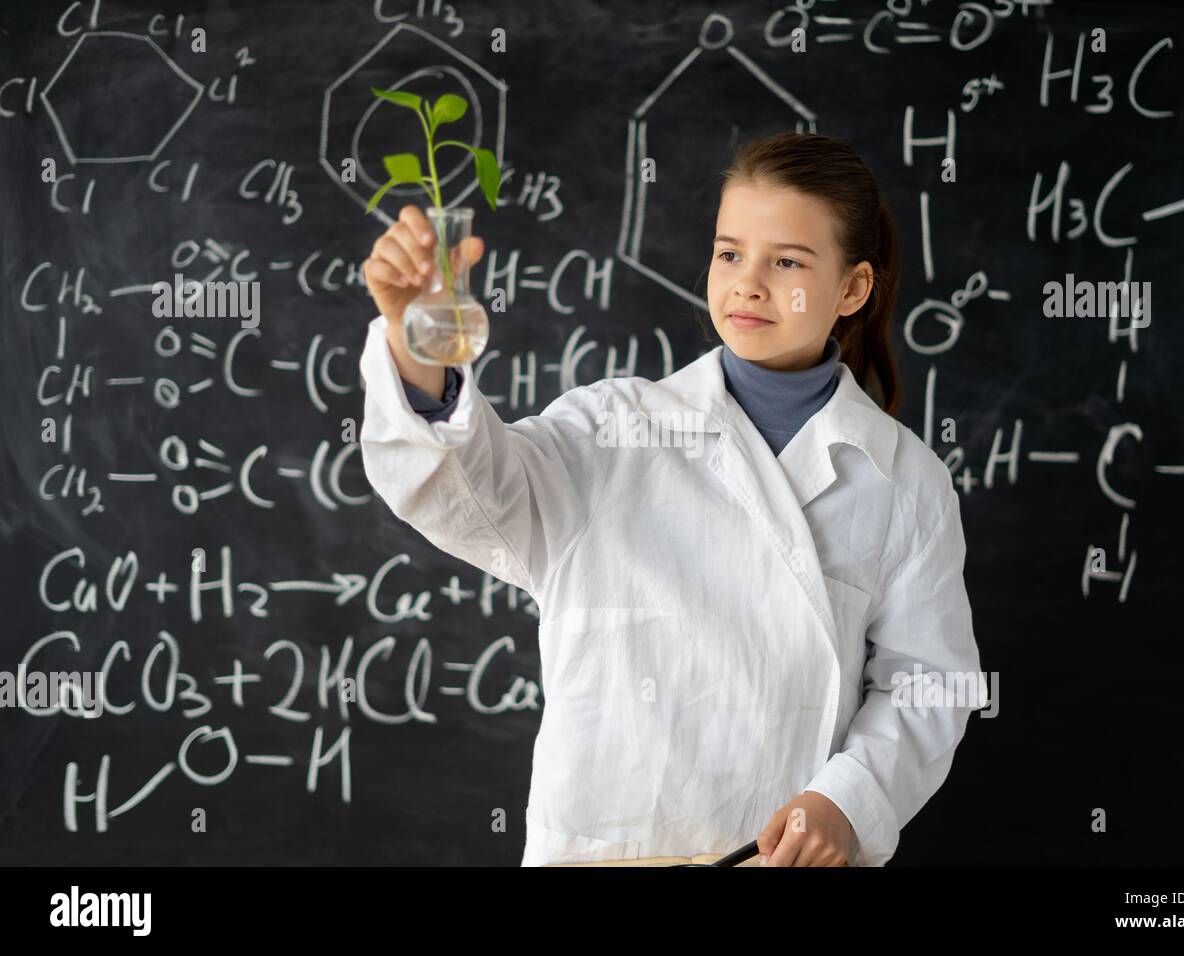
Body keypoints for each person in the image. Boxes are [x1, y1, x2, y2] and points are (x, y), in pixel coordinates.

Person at [358, 132, 985, 867]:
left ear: (852, 289)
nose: (747, 282)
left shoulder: (902, 479)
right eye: (729, 253)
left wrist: (845, 803)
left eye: (787, 261)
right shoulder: (612, 428)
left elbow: (928, 685)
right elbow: (465, 493)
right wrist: (419, 348)